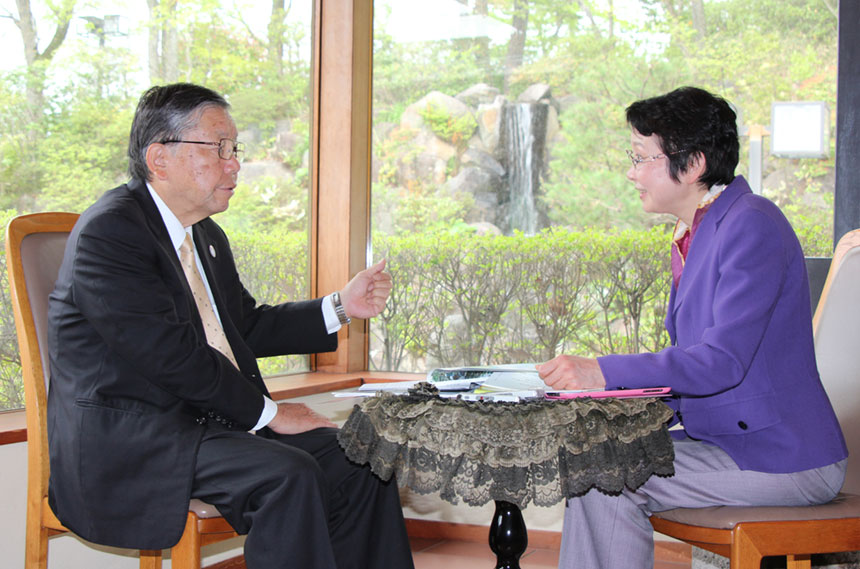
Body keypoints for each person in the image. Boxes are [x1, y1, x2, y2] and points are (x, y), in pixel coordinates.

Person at [47, 82, 414, 569]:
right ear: (159, 158)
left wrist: (341, 307)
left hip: (206, 422)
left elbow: (245, 327)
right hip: (138, 438)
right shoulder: (111, 233)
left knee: (364, 457)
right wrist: (270, 413)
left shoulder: (205, 235)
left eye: (233, 148)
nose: (234, 162)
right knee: (289, 473)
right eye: (218, 147)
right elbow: (171, 357)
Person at [537, 86, 848, 569]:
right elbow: (691, 368)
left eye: (641, 157)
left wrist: (602, 372)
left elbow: (720, 361)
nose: (631, 171)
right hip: (734, 442)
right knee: (595, 461)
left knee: (603, 473)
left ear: (694, 162)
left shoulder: (753, 223)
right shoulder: (697, 234)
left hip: (785, 456)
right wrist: (612, 403)